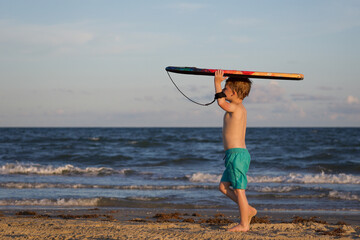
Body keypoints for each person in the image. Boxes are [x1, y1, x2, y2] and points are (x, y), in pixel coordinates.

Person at [214, 70, 257, 232]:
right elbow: (223, 102)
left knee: (239, 190)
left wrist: (217, 82)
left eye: (225, 88)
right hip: (233, 155)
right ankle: (249, 210)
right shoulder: (237, 107)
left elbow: (221, 103)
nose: (223, 91)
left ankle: (244, 224)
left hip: (237, 155)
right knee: (223, 188)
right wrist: (221, 87)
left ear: (233, 92)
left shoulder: (236, 108)